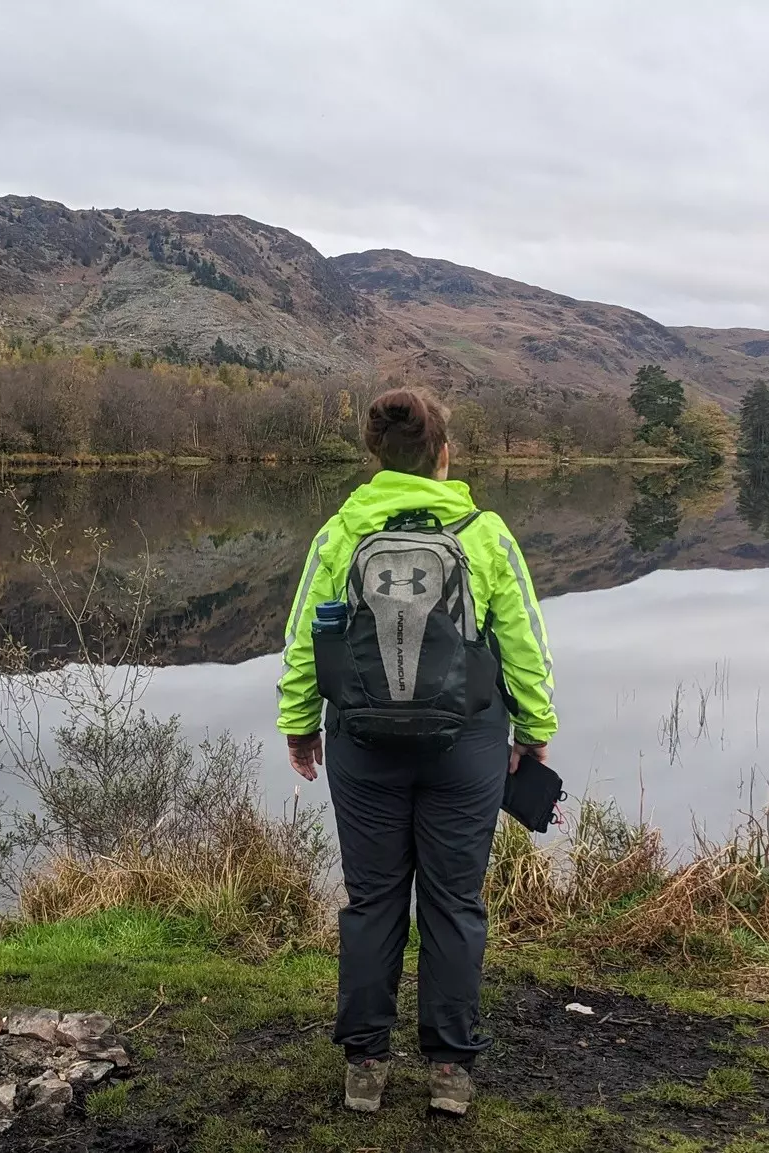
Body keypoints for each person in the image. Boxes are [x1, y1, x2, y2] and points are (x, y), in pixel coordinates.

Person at [276, 386, 558, 1116]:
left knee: (372, 901)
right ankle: (449, 1071)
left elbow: (307, 640)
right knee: (454, 903)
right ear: (443, 455)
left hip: (362, 742)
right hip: (466, 744)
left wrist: (300, 725)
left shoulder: (341, 532)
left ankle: (366, 1067)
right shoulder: (485, 533)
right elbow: (524, 641)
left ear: (376, 454)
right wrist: (533, 729)